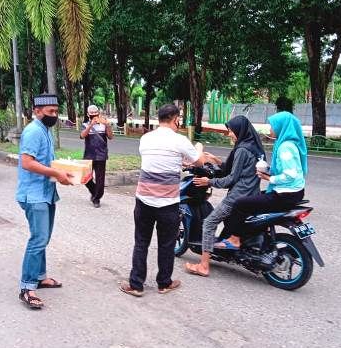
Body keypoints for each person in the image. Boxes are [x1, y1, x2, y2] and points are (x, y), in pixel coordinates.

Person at [120, 104, 218, 297]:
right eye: (178, 119)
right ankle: (164, 283)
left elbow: (159, 159)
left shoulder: (146, 138)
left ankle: (136, 285)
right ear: (175, 119)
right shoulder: (180, 140)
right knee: (166, 244)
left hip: (144, 200)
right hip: (168, 203)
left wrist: (180, 161)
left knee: (141, 242)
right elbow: (199, 161)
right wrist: (198, 147)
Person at [184, 116, 265, 276]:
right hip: (252, 193)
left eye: (231, 131)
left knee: (209, 223)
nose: (229, 134)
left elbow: (231, 179)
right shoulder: (254, 147)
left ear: (239, 131)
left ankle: (203, 266)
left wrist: (209, 181)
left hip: (238, 195)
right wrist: (216, 160)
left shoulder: (242, 150)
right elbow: (240, 169)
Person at [217, 111, 308, 249]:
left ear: (281, 127)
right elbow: (288, 169)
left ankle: (234, 239)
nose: (270, 129)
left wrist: (269, 178)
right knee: (255, 200)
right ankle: (258, 235)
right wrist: (268, 169)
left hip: (284, 195)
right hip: (294, 192)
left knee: (240, 204)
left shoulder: (285, 147)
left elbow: (290, 175)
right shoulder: (289, 144)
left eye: (273, 126)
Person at [16, 94, 73, 309]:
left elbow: (47, 162)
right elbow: (27, 163)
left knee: (43, 238)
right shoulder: (33, 131)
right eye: (50, 111)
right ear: (37, 111)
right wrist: (57, 174)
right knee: (38, 239)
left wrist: (65, 172)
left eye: (56, 111)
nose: (54, 115)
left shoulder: (45, 130)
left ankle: (40, 277)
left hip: (47, 193)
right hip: (34, 195)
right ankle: (27, 288)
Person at [80, 104, 113, 207]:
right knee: (84, 177)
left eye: (96, 112)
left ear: (99, 113)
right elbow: (82, 136)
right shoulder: (85, 124)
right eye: (92, 113)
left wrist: (107, 125)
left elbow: (111, 137)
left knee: (100, 179)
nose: (94, 114)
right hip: (88, 155)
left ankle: (96, 198)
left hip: (101, 155)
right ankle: (94, 191)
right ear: (88, 114)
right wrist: (90, 125)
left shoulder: (104, 124)